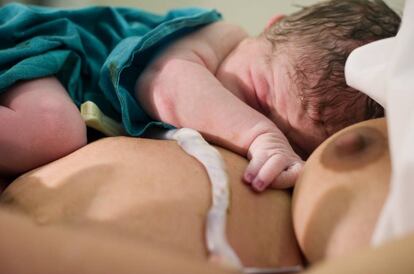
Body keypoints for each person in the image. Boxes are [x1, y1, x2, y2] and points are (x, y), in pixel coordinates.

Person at [0, 1, 400, 191]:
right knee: (52, 131)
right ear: (269, 29)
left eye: (293, 144)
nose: (237, 115)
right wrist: (262, 135)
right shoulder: (216, 35)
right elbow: (164, 84)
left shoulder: (248, 62)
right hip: (46, 51)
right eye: (257, 99)